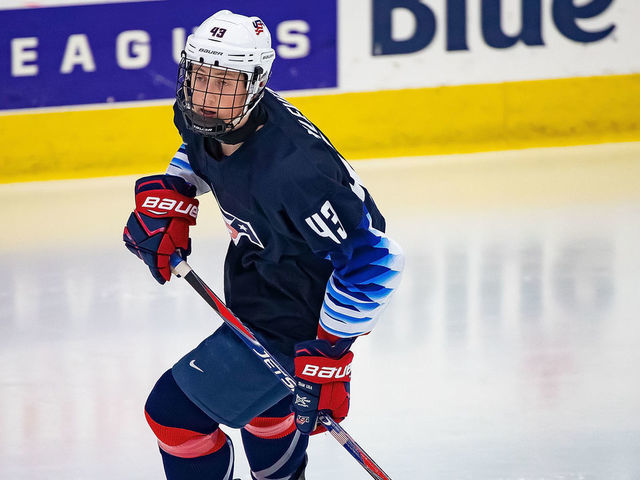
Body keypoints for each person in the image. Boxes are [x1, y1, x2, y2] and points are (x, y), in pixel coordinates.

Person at [123, 10, 403, 480]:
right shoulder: (203, 113)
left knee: (173, 415)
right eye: (200, 76)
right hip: (260, 274)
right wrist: (175, 193)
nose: (208, 96)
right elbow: (199, 154)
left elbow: (375, 258)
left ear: (256, 83)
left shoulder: (295, 173)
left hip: (299, 312)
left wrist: (329, 351)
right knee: (265, 410)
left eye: (226, 82)